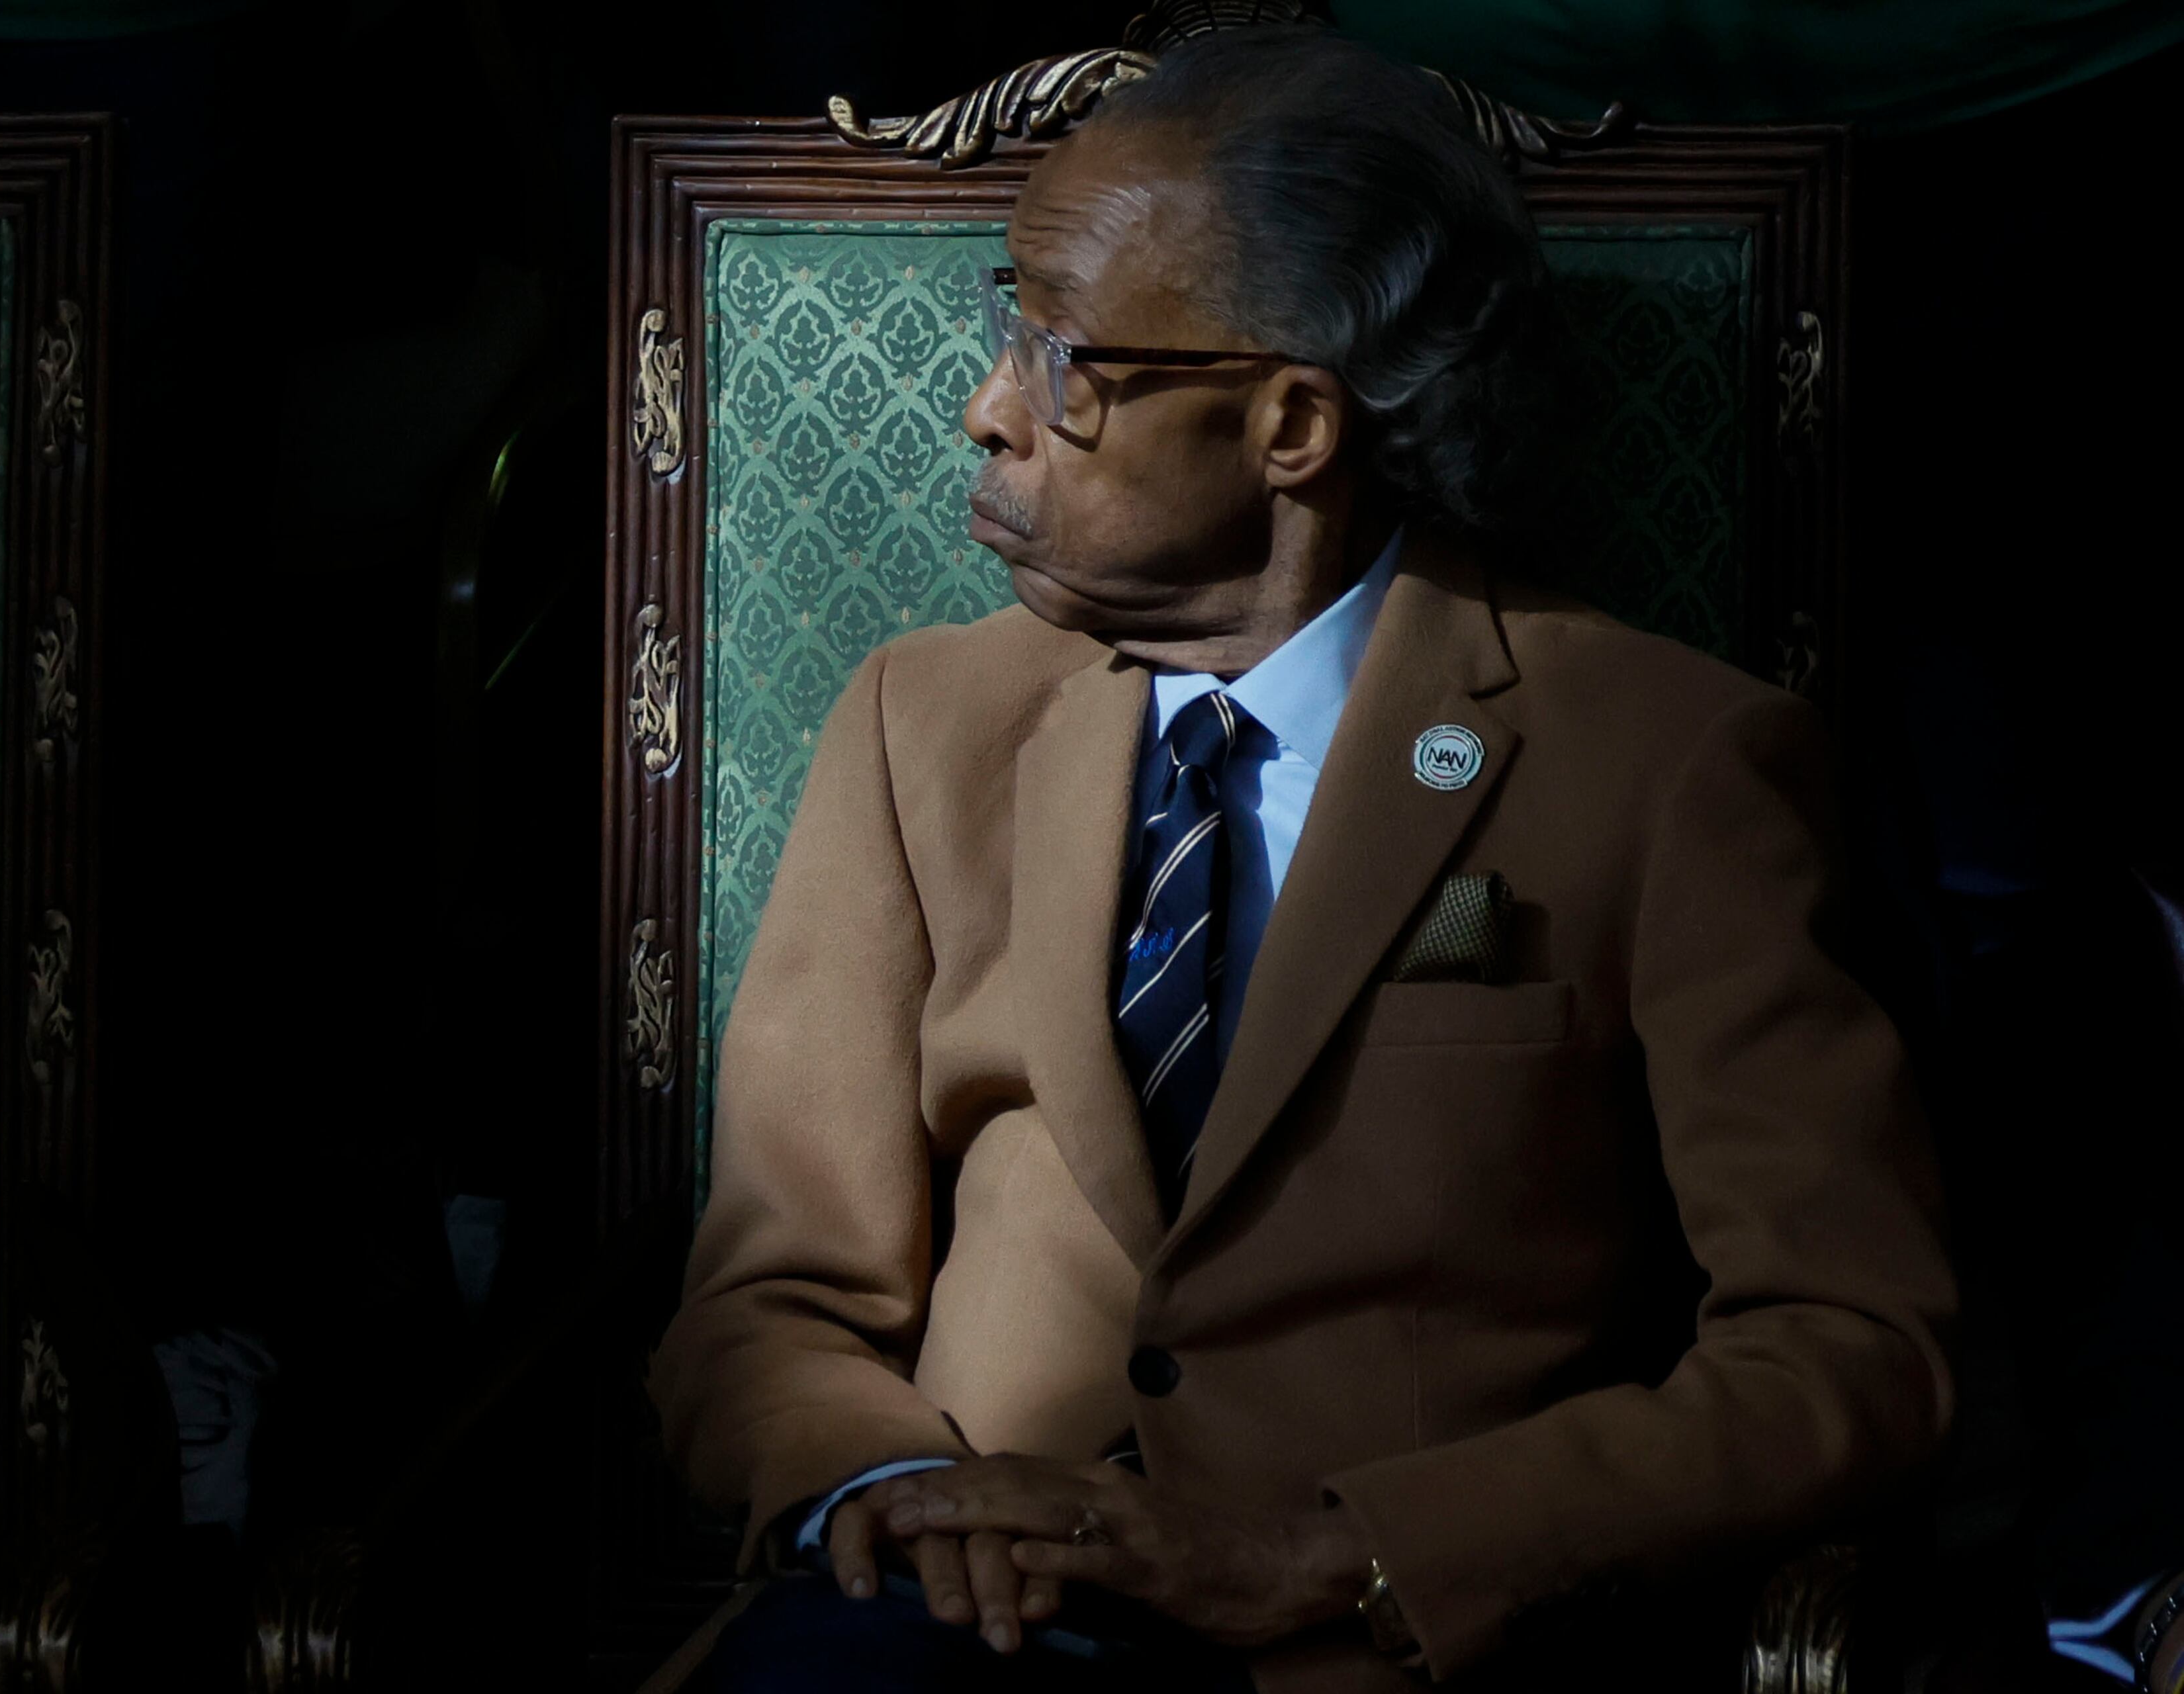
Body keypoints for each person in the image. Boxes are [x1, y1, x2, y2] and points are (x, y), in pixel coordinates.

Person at [650, 26, 1956, 1692]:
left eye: (1067, 363)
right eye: (1006, 326)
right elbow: (769, 1297)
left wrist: (1352, 1553)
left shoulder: (1670, 760)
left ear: (1290, 425)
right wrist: (897, 1489)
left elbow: (1851, 1347)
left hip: (1384, 1645)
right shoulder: (922, 721)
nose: (990, 410)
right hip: (943, 1631)